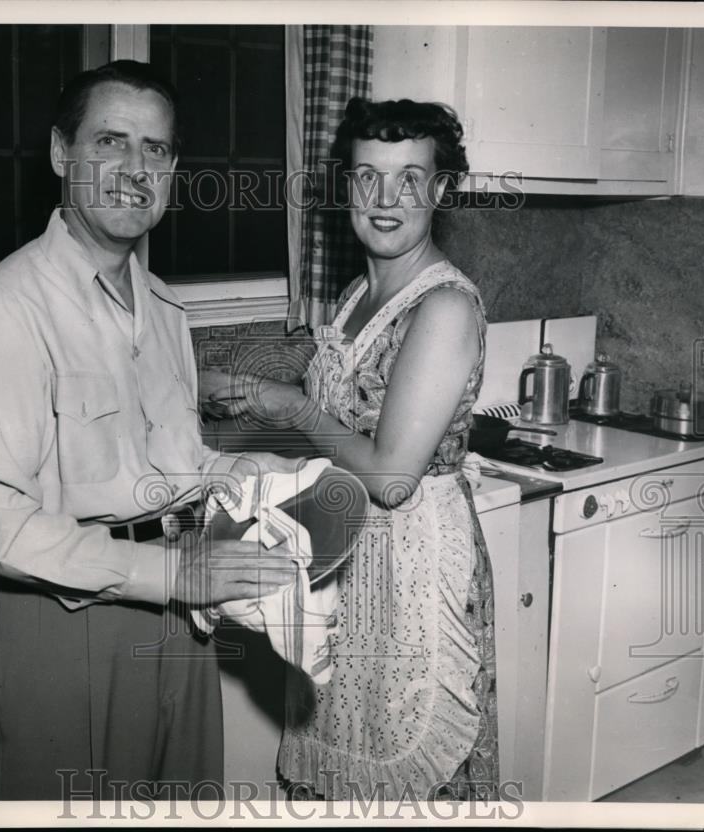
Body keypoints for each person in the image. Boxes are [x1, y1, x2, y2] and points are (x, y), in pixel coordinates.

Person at [0, 60, 296, 801]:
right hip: (57, 625)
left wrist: (227, 473)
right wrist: (170, 574)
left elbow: (162, 461)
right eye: (111, 141)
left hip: (177, 615)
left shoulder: (165, 308)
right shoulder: (8, 306)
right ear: (60, 154)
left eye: (157, 149)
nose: (136, 168)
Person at [210, 97, 497, 800]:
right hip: (350, 557)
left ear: (442, 189)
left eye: (411, 177)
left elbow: (395, 477)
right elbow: (350, 430)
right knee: (342, 749)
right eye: (368, 176)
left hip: (416, 560)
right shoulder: (354, 296)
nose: (387, 198)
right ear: (346, 188)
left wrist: (289, 405)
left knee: (405, 760)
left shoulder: (445, 305)